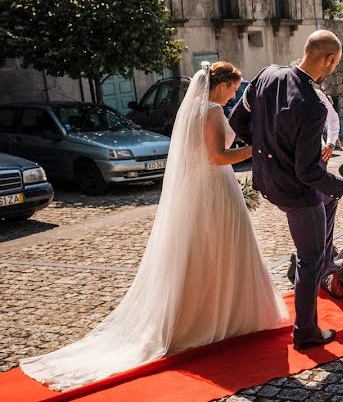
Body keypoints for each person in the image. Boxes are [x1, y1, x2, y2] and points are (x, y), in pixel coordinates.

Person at [20, 62, 290, 391]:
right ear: (220, 86)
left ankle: (206, 314)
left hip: (199, 190)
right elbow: (218, 157)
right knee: (225, 247)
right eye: (233, 89)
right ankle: (225, 317)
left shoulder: (192, 110)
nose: (235, 95)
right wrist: (259, 150)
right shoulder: (214, 112)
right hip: (217, 188)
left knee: (202, 250)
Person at [229, 30, 343, 350]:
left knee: (329, 201)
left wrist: (264, 147)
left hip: (265, 179)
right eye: (335, 64)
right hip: (294, 191)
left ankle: (323, 259)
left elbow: (237, 120)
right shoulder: (312, 104)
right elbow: (307, 172)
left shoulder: (266, 74)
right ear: (330, 60)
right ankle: (306, 330)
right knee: (310, 256)